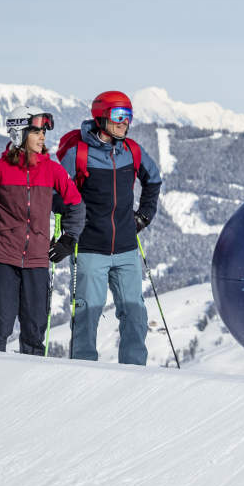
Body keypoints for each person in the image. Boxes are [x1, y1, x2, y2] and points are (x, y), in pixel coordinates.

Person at [0, 108, 86, 355]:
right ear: (19, 134)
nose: (43, 137)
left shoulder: (53, 170)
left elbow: (76, 206)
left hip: (38, 261)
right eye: (36, 131)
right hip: (3, 258)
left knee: (34, 329)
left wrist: (69, 239)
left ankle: (31, 387)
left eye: (44, 132)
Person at [57, 90, 163, 364]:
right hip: (90, 248)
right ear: (101, 116)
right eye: (118, 115)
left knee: (135, 315)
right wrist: (77, 220)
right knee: (86, 316)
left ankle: (134, 372)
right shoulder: (78, 155)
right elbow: (56, 196)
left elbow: (153, 180)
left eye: (128, 116)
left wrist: (144, 216)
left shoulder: (132, 151)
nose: (124, 122)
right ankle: (82, 371)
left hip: (127, 249)